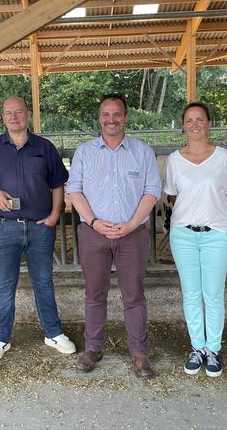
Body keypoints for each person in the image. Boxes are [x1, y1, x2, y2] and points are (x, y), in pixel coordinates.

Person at [0, 96, 75, 362]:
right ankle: (1, 338)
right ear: (2, 117)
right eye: (8, 113)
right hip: (3, 226)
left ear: (27, 114)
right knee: (5, 284)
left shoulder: (44, 147)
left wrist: (54, 215)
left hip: (40, 226)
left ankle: (53, 333)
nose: (14, 117)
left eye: (18, 112)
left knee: (44, 281)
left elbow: (58, 184)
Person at [67, 94, 161, 378]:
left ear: (126, 117)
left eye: (117, 114)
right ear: (99, 118)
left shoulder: (142, 151)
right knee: (95, 293)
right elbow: (74, 190)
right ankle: (93, 347)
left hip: (131, 235)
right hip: (94, 233)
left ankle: (139, 353)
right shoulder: (84, 152)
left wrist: (132, 224)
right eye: (106, 115)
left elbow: (152, 190)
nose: (111, 120)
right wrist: (94, 222)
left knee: (134, 295)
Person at [163, 102, 227, 378]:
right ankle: (197, 347)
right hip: (183, 233)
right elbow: (173, 196)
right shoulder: (174, 160)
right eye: (189, 120)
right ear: (183, 126)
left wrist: (211, 211)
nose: (195, 124)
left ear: (209, 123)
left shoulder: (223, 158)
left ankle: (213, 349)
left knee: (213, 294)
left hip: (216, 233)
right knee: (191, 293)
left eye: (200, 119)